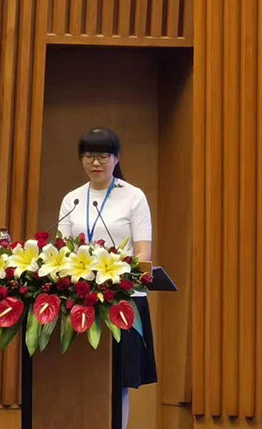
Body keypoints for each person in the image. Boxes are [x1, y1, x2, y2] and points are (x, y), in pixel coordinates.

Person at [57, 127, 158, 429]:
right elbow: (62, 252)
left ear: (117, 158)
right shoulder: (73, 200)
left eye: (103, 156)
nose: (95, 163)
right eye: (89, 156)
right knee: (84, 376)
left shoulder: (133, 197)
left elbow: (143, 253)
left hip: (122, 299)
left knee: (120, 380)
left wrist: (121, 275)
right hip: (82, 300)